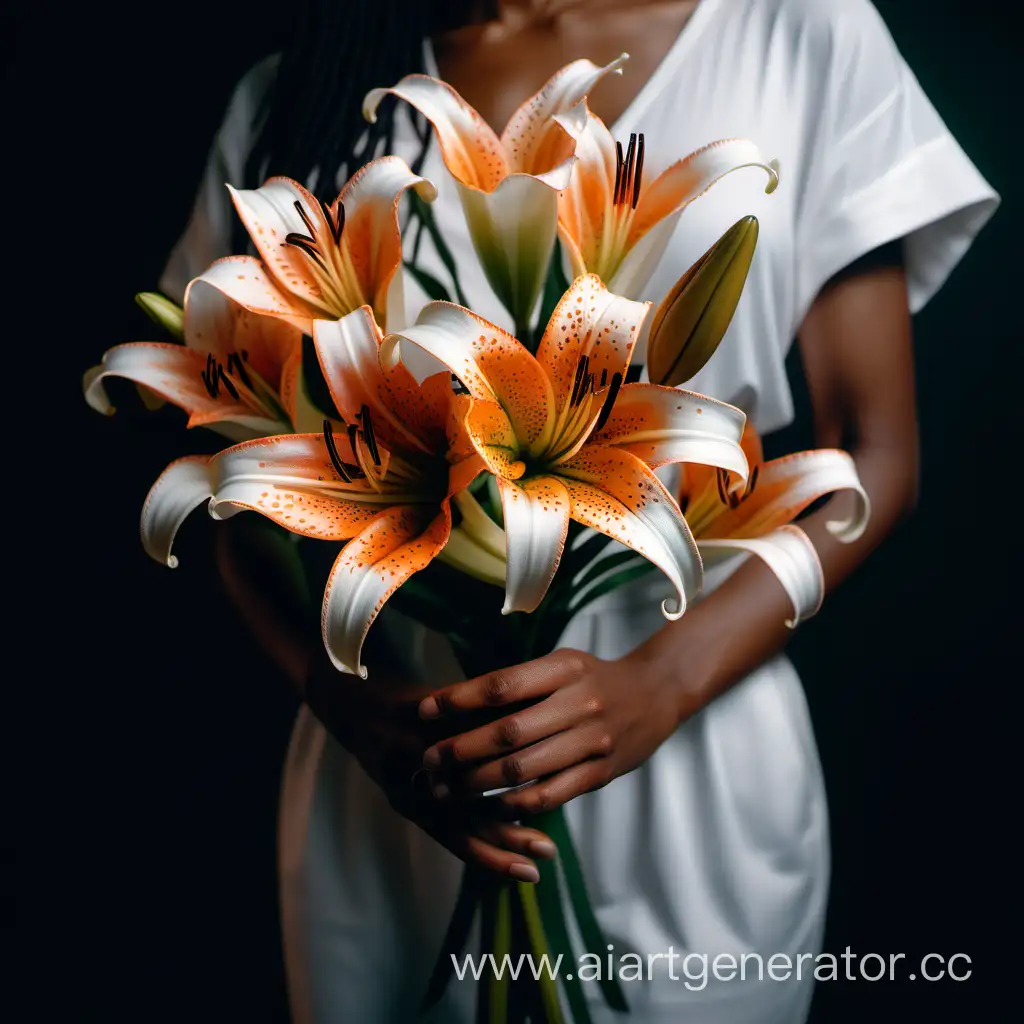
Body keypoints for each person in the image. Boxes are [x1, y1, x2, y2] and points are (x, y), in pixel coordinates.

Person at [160, 1, 998, 1020]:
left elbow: (877, 459)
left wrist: (661, 683)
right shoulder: (296, 96)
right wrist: (352, 711)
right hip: (398, 786)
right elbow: (230, 487)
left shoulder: (803, 32)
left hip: (691, 759)